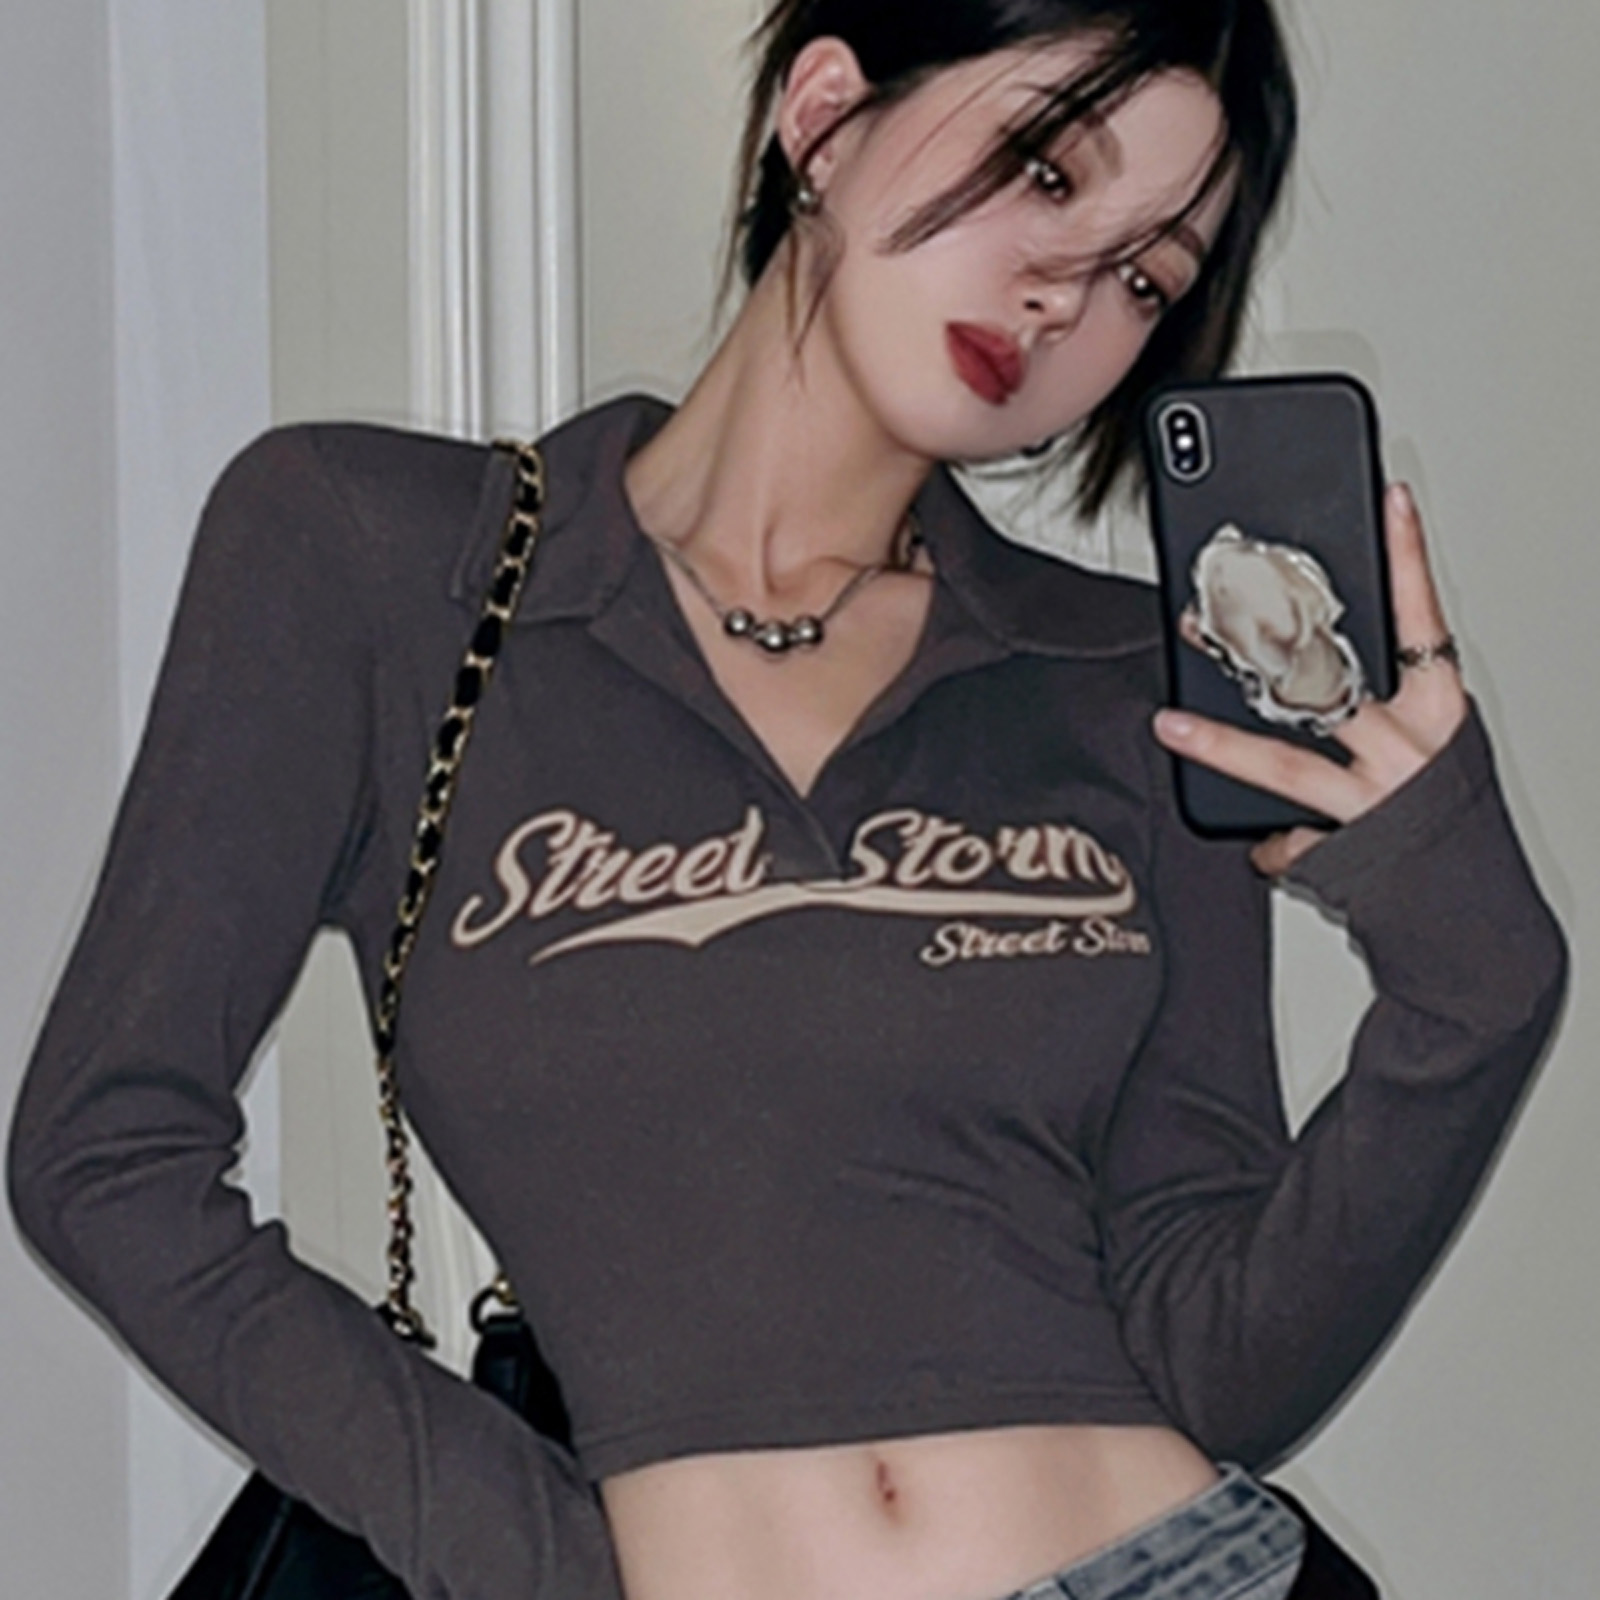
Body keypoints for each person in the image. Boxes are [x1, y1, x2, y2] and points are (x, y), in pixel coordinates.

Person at [6, 2, 1568, 1598]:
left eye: (1146, 278)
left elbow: (1211, 1372)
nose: (1068, 293)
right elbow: (103, 1153)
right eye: (1045, 170)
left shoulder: (1121, 683)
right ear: (822, 113)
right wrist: (530, 1552)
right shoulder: (382, 562)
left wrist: (1476, 966)